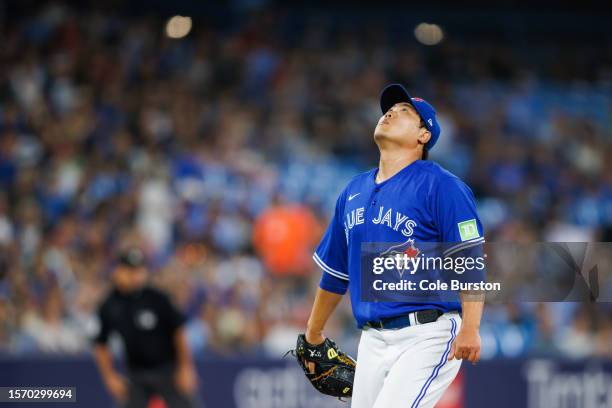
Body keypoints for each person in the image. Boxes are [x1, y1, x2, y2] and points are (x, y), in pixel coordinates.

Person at [304, 84, 485, 408]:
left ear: (423, 135)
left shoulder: (441, 185)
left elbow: (469, 260)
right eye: (389, 110)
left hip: (428, 333)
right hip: (372, 338)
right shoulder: (353, 190)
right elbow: (335, 274)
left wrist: (471, 327)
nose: (390, 113)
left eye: (405, 113)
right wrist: (312, 334)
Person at [93, 247, 198, 408]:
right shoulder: (110, 305)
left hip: (168, 370)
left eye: (139, 270)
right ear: (119, 271)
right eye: (130, 270)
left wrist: (185, 367)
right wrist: (110, 377)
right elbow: (101, 343)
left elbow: (178, 332)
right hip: (136, 375)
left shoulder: (157, 298)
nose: (135, 276)